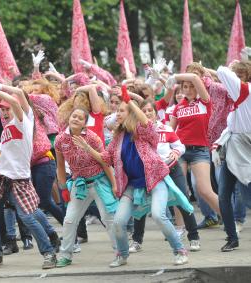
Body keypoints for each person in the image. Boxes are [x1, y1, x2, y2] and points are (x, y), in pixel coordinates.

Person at [75, 86, 192, 267]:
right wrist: (87, 148)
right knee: (119, 222)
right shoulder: (118, 137)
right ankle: (122, 255)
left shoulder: (144, 131)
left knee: (159, 215)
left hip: (155, 180)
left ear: (130, 113)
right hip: (133, 186)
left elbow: (145, 122)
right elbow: (105, 158)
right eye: (118, 110)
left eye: (121, 110)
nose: (117, 113)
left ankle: (180, 250)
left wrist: (129, 100)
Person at [0, 83, 58, 270]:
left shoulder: (24, 122)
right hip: (2, 179)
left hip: (20, 180)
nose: (4, 113)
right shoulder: (6, 130)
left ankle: (49, 253)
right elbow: (0, 153)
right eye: (1, 110)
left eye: (7, 109)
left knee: (28, 217)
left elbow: (16, 99)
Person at [128, 100, 201, 253]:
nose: (147, 113)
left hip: (171, 170)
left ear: (155, 112)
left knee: (183, 200)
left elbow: (180, 146)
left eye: (150, 110)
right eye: (144, 110)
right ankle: (136, 241)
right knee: (141, 203)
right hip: (148, 173)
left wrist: (176, 152)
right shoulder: (136, 132)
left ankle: (194, 237)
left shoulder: (166, 128)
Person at [54, 107, 118, 267]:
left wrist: (114, 185)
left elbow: (105, 162)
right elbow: (60, 165)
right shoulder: (60, 139)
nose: (75, 119)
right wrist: (63, 188)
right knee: (69, 220)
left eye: (80, 118)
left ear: (85, 123)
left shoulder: (92, 138)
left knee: (108, 218)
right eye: (73, 116)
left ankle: (120, 251)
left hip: (99, 182)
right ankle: (66, 255)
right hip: (79, 184)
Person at [169, 71, 221, 217]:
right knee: (178, 191)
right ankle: (180, 229)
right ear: (182, 89)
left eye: (192, 87)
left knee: (204, 190)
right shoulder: (178, 107)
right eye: (185, 87)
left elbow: (194, 77)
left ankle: (229, 221)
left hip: (200, 150)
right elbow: (170, 132)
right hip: (180, 151)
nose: (189, 89)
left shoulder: (205, 101)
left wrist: (173, 77)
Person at [214, 62, 251, 252]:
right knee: (223, 196)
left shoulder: (244, 90)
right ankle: (232, 237)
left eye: (238, 74)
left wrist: (231, 65)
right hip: (233, 151)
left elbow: (221, 71)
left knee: (248, 199)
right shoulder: (239, 98)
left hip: (245, 152)